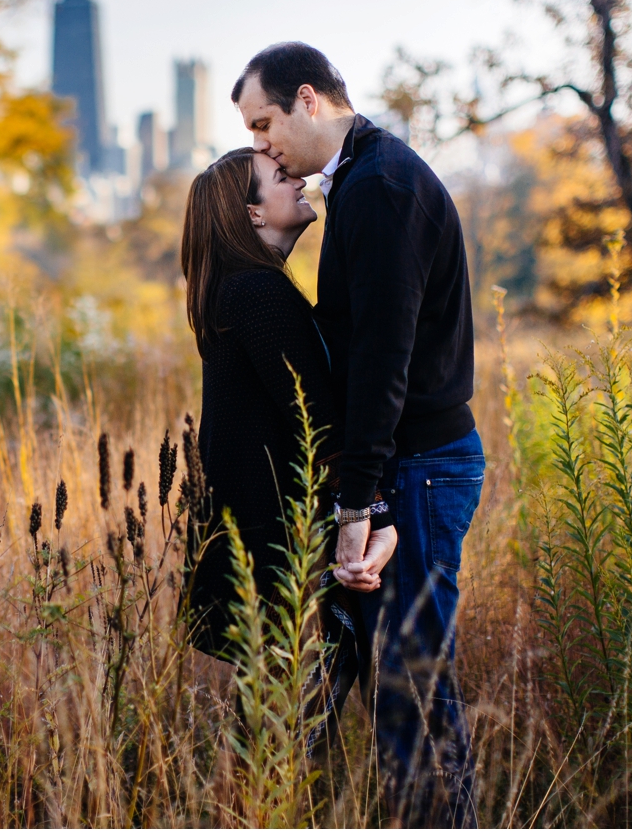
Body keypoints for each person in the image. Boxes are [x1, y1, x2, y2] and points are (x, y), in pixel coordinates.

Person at [231, 42, 483, 827]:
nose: (260, 143)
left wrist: (355, 505)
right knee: (398, 684)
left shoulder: (379, 188)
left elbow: (382, 362)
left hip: (419, 468)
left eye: (264, 122)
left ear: (309, 99)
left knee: (411, 688)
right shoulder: (368, 179)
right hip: (408, 465)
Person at [178, 147, 369, 660]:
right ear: (253, 213)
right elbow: (316, 423)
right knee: (285, 702)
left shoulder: (242, 290)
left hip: (257, 537)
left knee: (281, 702)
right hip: (270, 544)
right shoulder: (257, 293)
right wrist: (364, 509)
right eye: (282, 177)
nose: (300, 182)